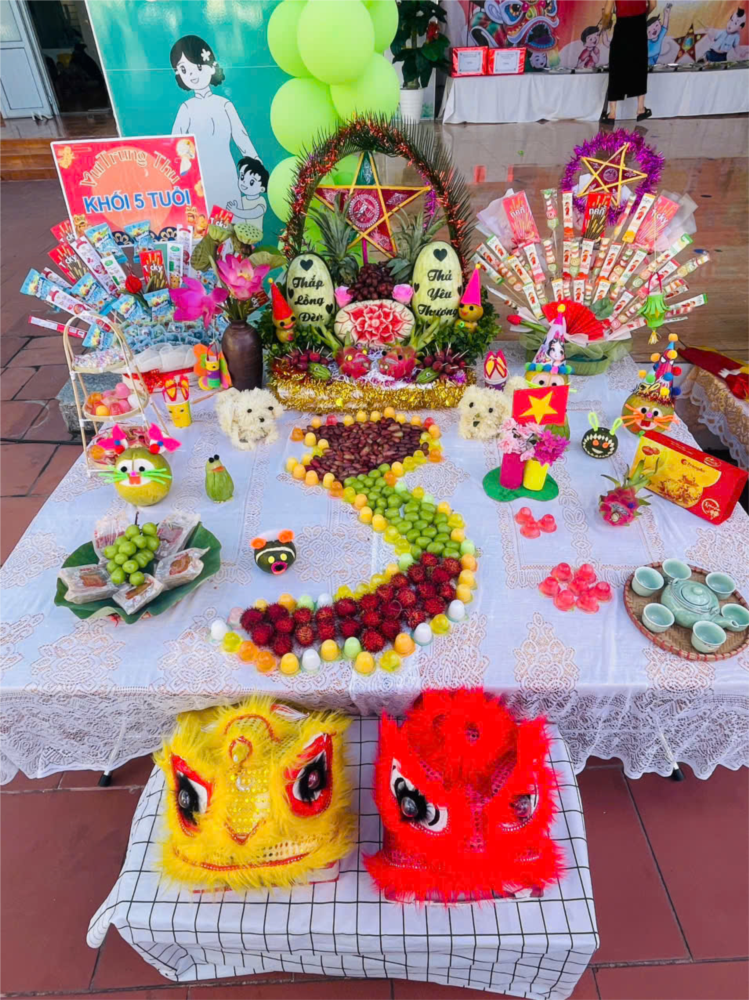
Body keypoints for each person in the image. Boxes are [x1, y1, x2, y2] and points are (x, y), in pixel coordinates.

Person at [170, 35, 262, 213]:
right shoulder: (186, 109)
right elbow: (175, 143)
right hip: (200, 177)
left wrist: (255, 162)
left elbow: (241, 137)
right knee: (206, 218)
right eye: (184, 69)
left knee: (231, 216)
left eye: (198, 66)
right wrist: (181, 170)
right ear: (179, 75)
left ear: (211, 67)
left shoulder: (224, 105)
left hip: (226, 171)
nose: (192, 74)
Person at [601, 0, 655, 122]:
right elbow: (653, 5)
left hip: (622, 25)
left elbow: (607, 11)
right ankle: (640, 109)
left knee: (616, 65)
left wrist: (605, 23)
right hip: (639, 25)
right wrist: (644, 15)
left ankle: (612, 113)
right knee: (639, 64)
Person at [227, 157, 269, 235]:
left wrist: (236, 211)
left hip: (254, 236)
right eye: (242, 177)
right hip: (240, 234)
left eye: (251, 182)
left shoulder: (261, 201)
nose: (244, 182)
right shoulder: (242, 199)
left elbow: (253, 213)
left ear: (262, 188)